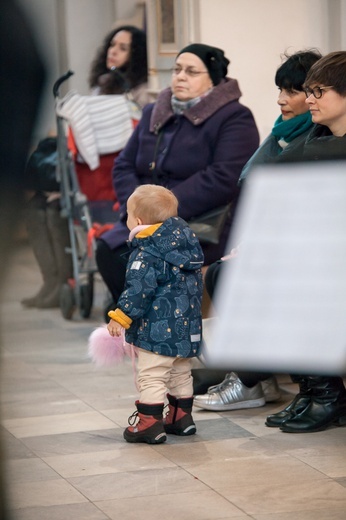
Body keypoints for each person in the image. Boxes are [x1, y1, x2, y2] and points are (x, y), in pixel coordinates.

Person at [193, 49, 323, 411]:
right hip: (276, 241)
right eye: (280, 89)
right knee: (221, 271)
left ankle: (250, 379)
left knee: (229, 274)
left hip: (307, 251)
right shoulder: (282, 135)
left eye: (294, 91)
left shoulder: (316, 139)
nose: (282, 99)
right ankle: (255, 377)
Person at [95, 42, 260, 318]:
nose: (181, 76)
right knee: (109, 249)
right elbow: (124, 165)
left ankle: (156, 330)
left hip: (201, 221)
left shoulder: (234, 117)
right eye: (177, 69)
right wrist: (137, 208)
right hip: (145, 218)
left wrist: (158, 212)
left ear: (213, 79)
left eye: (192, 71)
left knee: (147, 258)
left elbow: (224, 177)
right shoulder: (154, 112)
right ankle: (139, 325)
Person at [21, 25, 152, 309]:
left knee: (57, 211)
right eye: (112, 45)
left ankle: (66, 283)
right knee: (38, 206)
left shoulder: (141, 94)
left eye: (122, 47)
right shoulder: (99, 87)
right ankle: (53, 283)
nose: (113, 51)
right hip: (87, 179)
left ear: (137, 55)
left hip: (113, 185)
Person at [265, 50, 346, 433]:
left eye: (319, 91)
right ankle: (315, 390)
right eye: (308, 91)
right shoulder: (316, 139)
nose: (308, 99)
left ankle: (327, 395)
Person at [106, 184, 204, 444]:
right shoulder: (186, 246)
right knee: (181, 372)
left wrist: (121, 316)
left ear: (137, 220)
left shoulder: (147, 251)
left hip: (157, 329)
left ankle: (149, 424)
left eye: (127, 214)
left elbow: (139, 289)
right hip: (187, 328)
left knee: (152, 374)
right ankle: (181, 418)